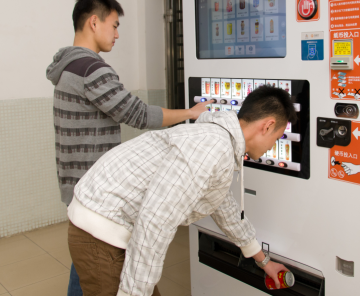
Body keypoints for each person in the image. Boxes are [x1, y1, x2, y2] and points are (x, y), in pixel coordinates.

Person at [46, 0, 212, 296]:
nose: (117, 34)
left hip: (77, 182)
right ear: (93, 22)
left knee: (85, 260)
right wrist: (191, 113)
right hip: (99, 190)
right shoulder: (91, 69)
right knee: (97, 262)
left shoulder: (67, 67)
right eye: (114, 25)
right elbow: (137, 113)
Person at [67, 85, 296, 296]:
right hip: (101, 228)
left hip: (110, 219)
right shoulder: (212, 146)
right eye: (276, 138)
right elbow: (156, 220)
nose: (271, 147)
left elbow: (223, 205)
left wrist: (262, 260)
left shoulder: (218, 141)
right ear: (267, 126)